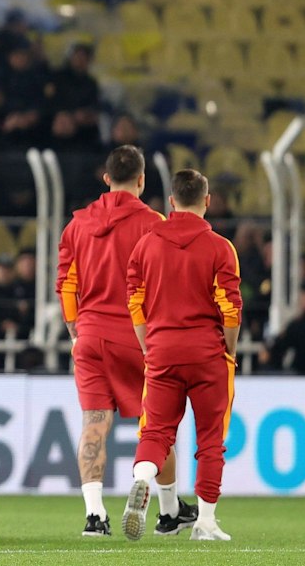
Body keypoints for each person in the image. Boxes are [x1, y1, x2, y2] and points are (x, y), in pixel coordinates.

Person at [57, 145, 190, 538]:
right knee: (158, 425)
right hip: (139, 337)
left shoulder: (77, 224)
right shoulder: (155, 224)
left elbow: (66, 284)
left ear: (106, 178)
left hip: (91, 335)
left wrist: (75, 330)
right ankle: (168, 512)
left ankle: (95, 516)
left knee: (94, 423)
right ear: (143, 179)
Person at [121, 169, 240, 544]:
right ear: (207, 201)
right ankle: (205, 522)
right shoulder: (221, 247)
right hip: (207, 352)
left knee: (156, 430)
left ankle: (142, 477)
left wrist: (147, 344)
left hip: (162, 350)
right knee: (209, 439)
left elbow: (135, 300)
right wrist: (229, 349)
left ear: (171, 202)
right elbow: (231, 307)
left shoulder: (147, 244)